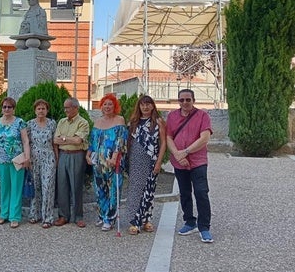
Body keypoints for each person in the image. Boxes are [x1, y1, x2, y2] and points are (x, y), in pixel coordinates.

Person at [166, 89, 214, 243]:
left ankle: (204, 227)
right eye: (182, 100)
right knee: (185, 192)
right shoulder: (172, 116)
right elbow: (168, 137)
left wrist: (185, 152)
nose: (185, 103)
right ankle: (189, 221)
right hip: (179, 162)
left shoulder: (202, 116)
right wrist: (178, 155)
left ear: (193, 100)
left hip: (198, 161)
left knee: (201, 192)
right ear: (178, 101)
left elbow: (204, 138)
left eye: (188, 100)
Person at [85, 93, 128, 231]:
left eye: (110, 104)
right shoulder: (98, 121)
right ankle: (102, 214)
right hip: (98, 161)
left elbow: (121, 140)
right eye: (105, 104)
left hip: (113, 161)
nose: (107, 106)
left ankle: (110, 218)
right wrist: (88, 154)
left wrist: (115, 157)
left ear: (115, 106)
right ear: (101, 106)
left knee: (114, 189)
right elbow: (93, 141)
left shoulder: (119, 120)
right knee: (99, 189)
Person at [126, 95, 166, 235]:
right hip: (135, 160)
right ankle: (134, 221)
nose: (145, 107)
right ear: (139, 106)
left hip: (150, 160)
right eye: (142, 104)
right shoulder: (133, 122)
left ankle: (146, 219)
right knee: (135, 190)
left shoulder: (158, 122)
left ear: (153, 105)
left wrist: (159, 162)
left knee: (149, 190)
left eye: (148, 104)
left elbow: (163, 143)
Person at [0, 97, 31, 229]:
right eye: (5, 107)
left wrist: (27, 158)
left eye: (9, 107)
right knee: (5, 187)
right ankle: (4, 214)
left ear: (14, 109)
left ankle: (15, 216)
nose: (7, 109)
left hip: (17, 160)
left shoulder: (19, 122)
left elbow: (25, 141)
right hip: (2, 159)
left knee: (16, 188)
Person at [53, 97, 90, 228]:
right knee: (62, 186)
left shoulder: (83, 123)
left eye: (68, 107)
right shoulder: (61, 122)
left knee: (76, 186)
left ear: (75, 108)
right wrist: (68, 139)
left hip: (77, 155)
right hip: (63, 155)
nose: (65, 110)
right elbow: (55, 140)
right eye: (65, 107)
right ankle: (63, 216)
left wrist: (63, 138)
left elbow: (78, 141)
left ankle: (78, 216)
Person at [26, 99, 57, 229]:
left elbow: (55, 142)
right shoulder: (29, 124)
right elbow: (26, 142)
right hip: (34, 158)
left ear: (47, 110)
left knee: (47, 187)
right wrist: (27, 158)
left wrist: (57, 158)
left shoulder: (52, 124)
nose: (41, 111)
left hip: (48, 157)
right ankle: (34, 214)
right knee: (36, 186)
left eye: (43, 108)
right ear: (35, 110)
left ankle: (48, 217)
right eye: (39, 109)